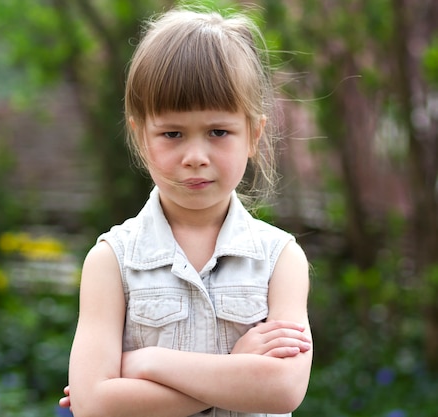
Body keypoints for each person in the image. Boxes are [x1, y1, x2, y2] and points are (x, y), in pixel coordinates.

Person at [59, 5, 312, 417]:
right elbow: (93, 403)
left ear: (253, 134)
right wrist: (236, 370)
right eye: (172, 133)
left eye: (218, 132)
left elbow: (283, 387)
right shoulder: (111, 262)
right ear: (141, 137)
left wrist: (146, 363)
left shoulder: (280, 260)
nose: (195, 156)